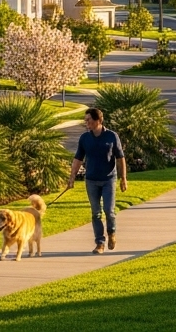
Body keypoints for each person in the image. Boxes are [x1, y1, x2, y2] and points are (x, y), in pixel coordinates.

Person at [66, 107, 127, 254]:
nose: (87, 123)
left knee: (109, 211)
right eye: (85, 120)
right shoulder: (85, 138)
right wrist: (72, 177)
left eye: (89, 120)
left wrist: (123, 178)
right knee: (96, 213)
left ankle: (111, 232)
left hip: (108, 180)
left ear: (99, 120)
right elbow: (78, 158)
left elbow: (120, 158)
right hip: (91, 180)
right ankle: (100, 243)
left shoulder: (112, 136)